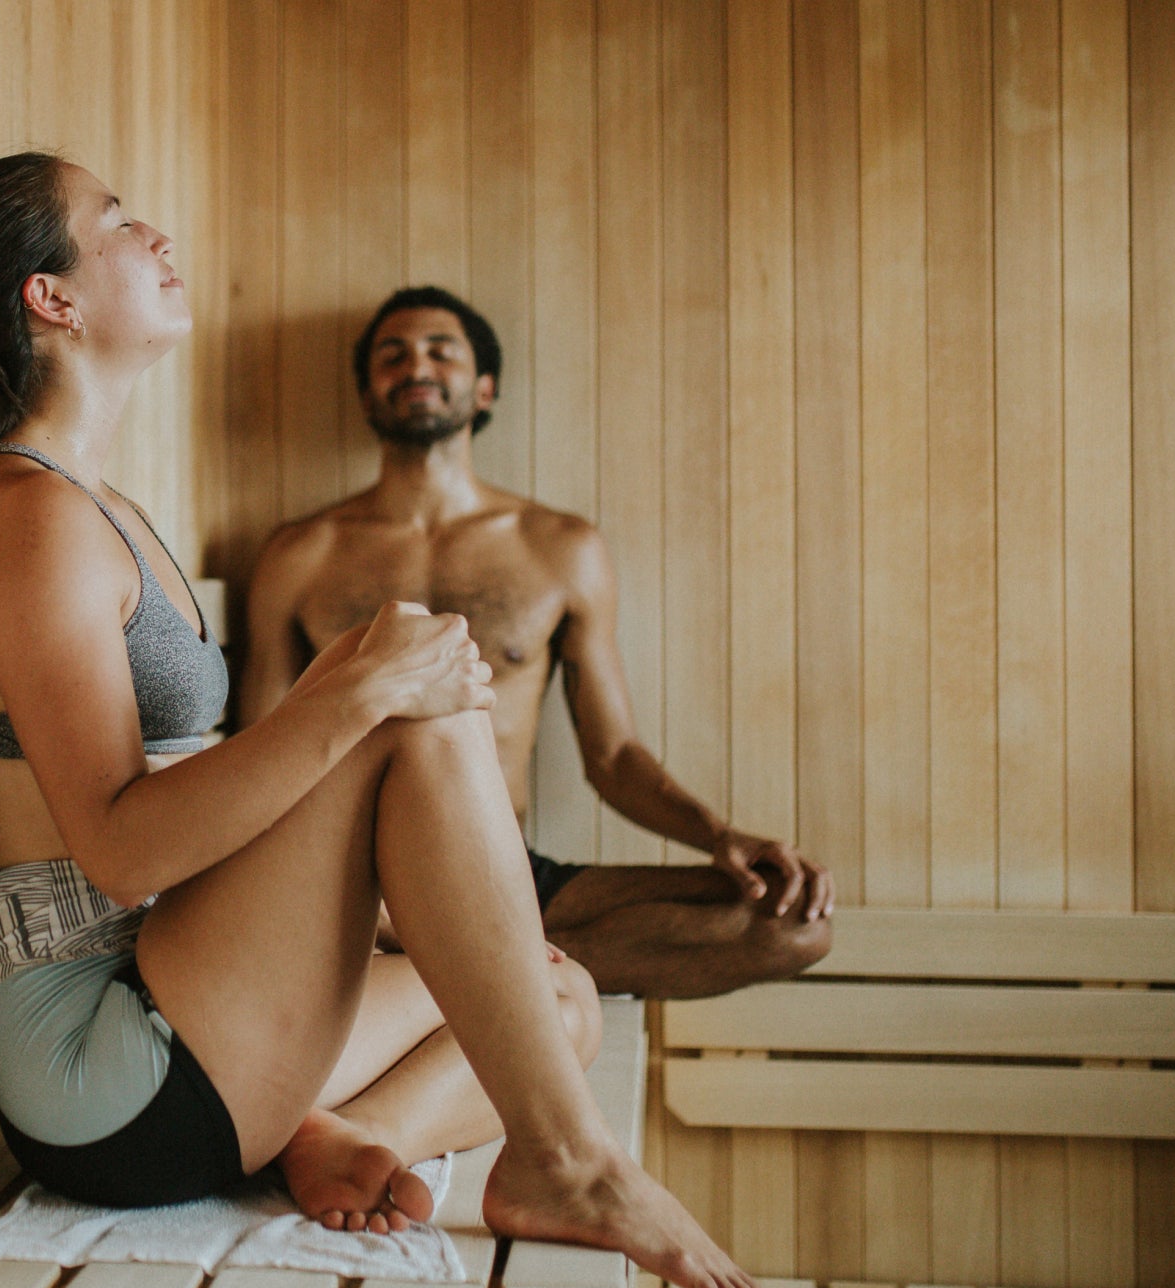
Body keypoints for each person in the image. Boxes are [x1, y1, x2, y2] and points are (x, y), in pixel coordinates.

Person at [0, 153, 772, 1288]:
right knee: (411, 706)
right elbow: (118, 848)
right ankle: (571, 1162)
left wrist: (360, 711)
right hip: (102, 1079)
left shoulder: (99, 506)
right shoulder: (21, 518)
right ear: (50, 298)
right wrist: (347, 695)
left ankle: (339, 1130)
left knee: (553, 1000)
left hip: (177, 999)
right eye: (112, 221)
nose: (155, 235)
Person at [240, 287, 834, 1001]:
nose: (416, 366)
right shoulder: (300, 555)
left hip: (505, 869)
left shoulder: (559, 549)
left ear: (483, 388)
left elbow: (613, 757)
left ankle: (452, 972)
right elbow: (260, 750)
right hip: (353, 879)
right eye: (392, 355)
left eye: (440, 350)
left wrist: (719, 835)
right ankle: (465, 964)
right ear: (368, 395)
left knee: (791, 921)